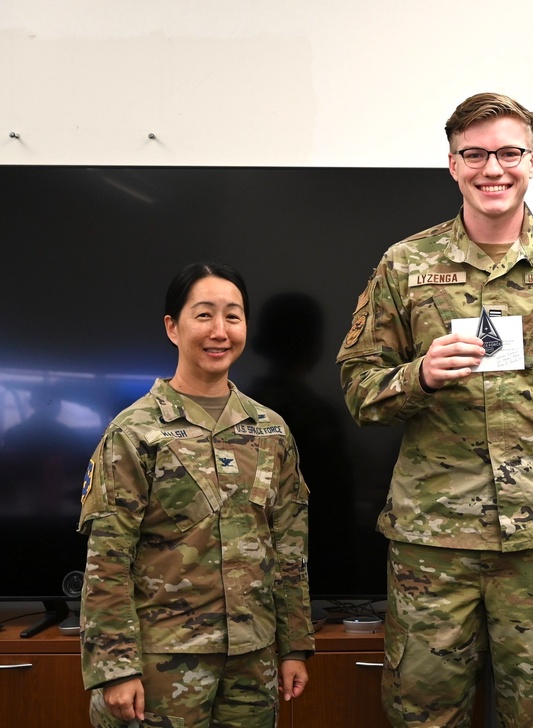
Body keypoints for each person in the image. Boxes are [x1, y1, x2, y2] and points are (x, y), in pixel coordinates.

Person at [337, 92, 533, 727]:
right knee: (424, 713)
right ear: (452, 164)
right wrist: (418, 376)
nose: (492, 169)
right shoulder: (405, 266)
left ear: (532, 160)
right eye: (474, 154)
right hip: (432, 541)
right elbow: (360, 386)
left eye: (508, 153)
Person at [78, 262, 314, 728]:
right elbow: (107, 558)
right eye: (203, 315)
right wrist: (116, 667)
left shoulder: (270, 429)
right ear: (173, 326)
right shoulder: (135, 430)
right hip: (162, 662)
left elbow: (289, 548)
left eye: (233, 316)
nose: (220, 331)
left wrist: (295, 647)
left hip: (254, 659)